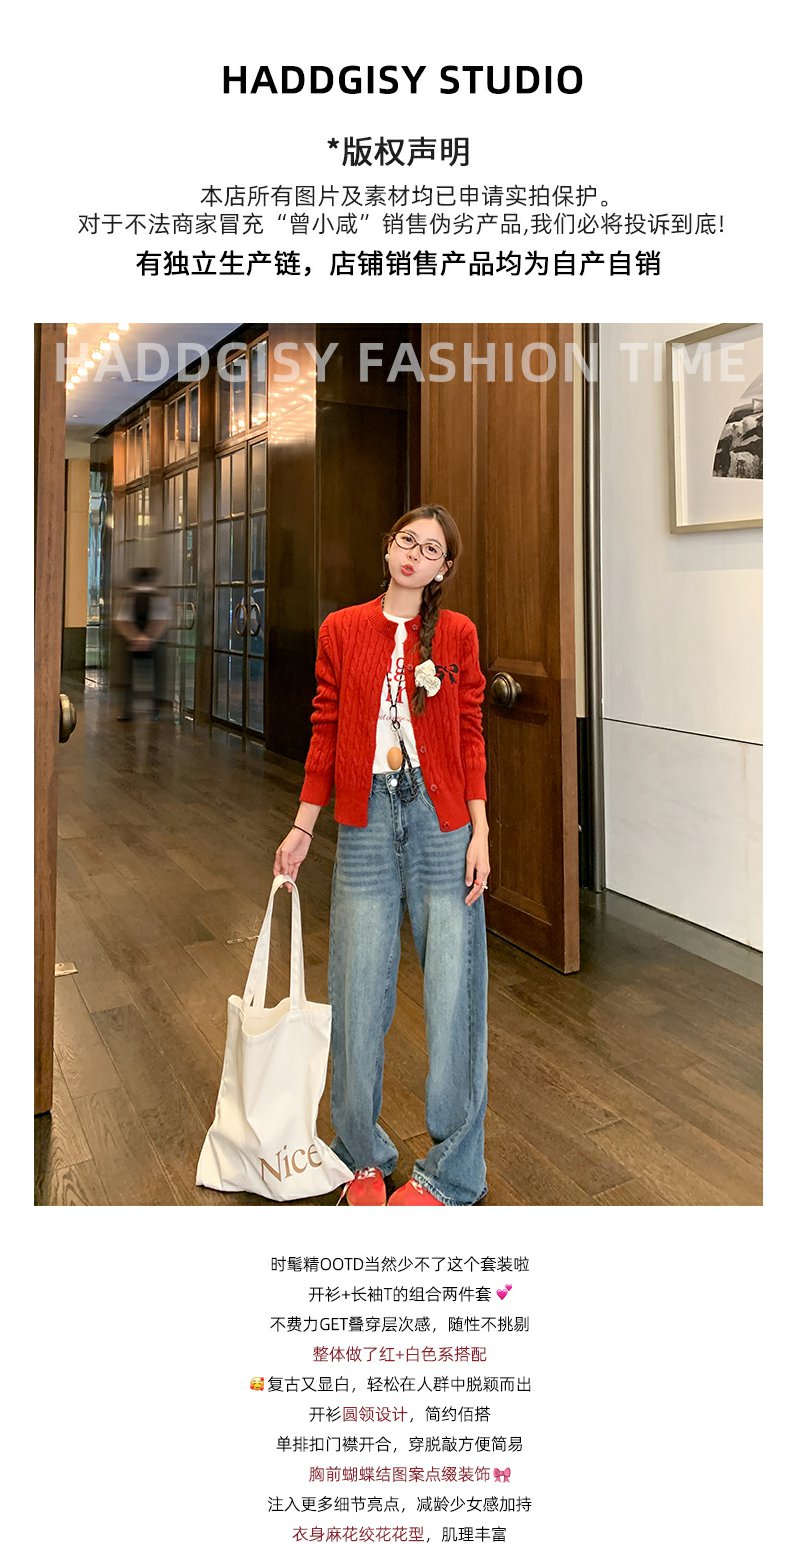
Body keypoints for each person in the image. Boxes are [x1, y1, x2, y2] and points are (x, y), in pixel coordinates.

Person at [274, 505, 491, 1206]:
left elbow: (469, 731)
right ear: (388, 545)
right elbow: (326, 729)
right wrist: (304, 827)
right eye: (407, 541)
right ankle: (360, 1155)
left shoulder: (456, 634)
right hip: (365, 817)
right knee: (358, 985)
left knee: (453, 990)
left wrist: (480, 831)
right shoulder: (341, 629)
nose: (413, 555)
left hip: (442, 819)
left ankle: (452, 1172)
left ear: (442, 568)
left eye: (430, 550)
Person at [114, 567, 171, 721]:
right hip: (154, 644)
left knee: (130, 676)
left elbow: (121, 621)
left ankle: (128, 710)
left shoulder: (130, 596)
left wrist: (135, 637)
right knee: (157, 676)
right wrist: (148, 638)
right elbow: (161, 621)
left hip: (132, 644)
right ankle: (155, 709)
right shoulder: (159, 597)